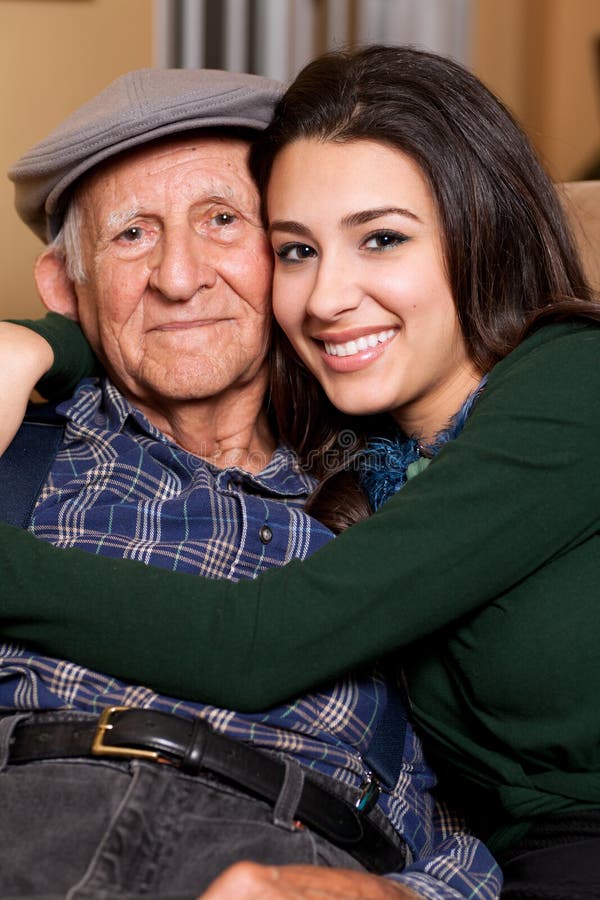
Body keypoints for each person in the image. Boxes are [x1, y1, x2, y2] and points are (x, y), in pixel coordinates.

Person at [2, 43, 599, 898]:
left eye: (222, 222)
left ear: (477, 232)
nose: (179, 276)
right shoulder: (25, 435)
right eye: (132, 234)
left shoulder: (418, 469)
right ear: (66, 282)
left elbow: (264, 644)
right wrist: (44, 345)